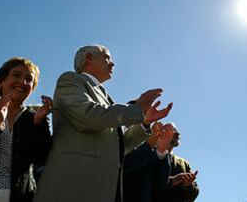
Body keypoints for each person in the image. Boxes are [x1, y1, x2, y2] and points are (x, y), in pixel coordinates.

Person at [34, 45, 173, 202]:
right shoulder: (70, 80)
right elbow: (89, 116)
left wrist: (145, 122)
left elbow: (121, 146)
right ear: (88, 58)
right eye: (106, 57)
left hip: (102, 190)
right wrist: (137, 108)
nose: (112, 64)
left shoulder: (107, 97)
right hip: (72, 186)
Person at [0, 57, 52, 202]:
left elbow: (41, 159)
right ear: (1, 81)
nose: (23, 82)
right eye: (16, 75)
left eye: (29, 79)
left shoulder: (36, 117)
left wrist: (39, 124)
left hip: (21, 196)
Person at [123, 122, 174, 202]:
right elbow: (124, 168)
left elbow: (159, 186)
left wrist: (161, 152)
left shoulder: (153, 152)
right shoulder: (119, 134)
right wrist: (149, 144)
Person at [153, 123, 199, 202]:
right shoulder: (149, 155)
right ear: (160, 135)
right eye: (172, 130)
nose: (178, 133)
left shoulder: (183, 163)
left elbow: (193, 195)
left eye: (176, 130)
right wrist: (172, 181)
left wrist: (187, 185)